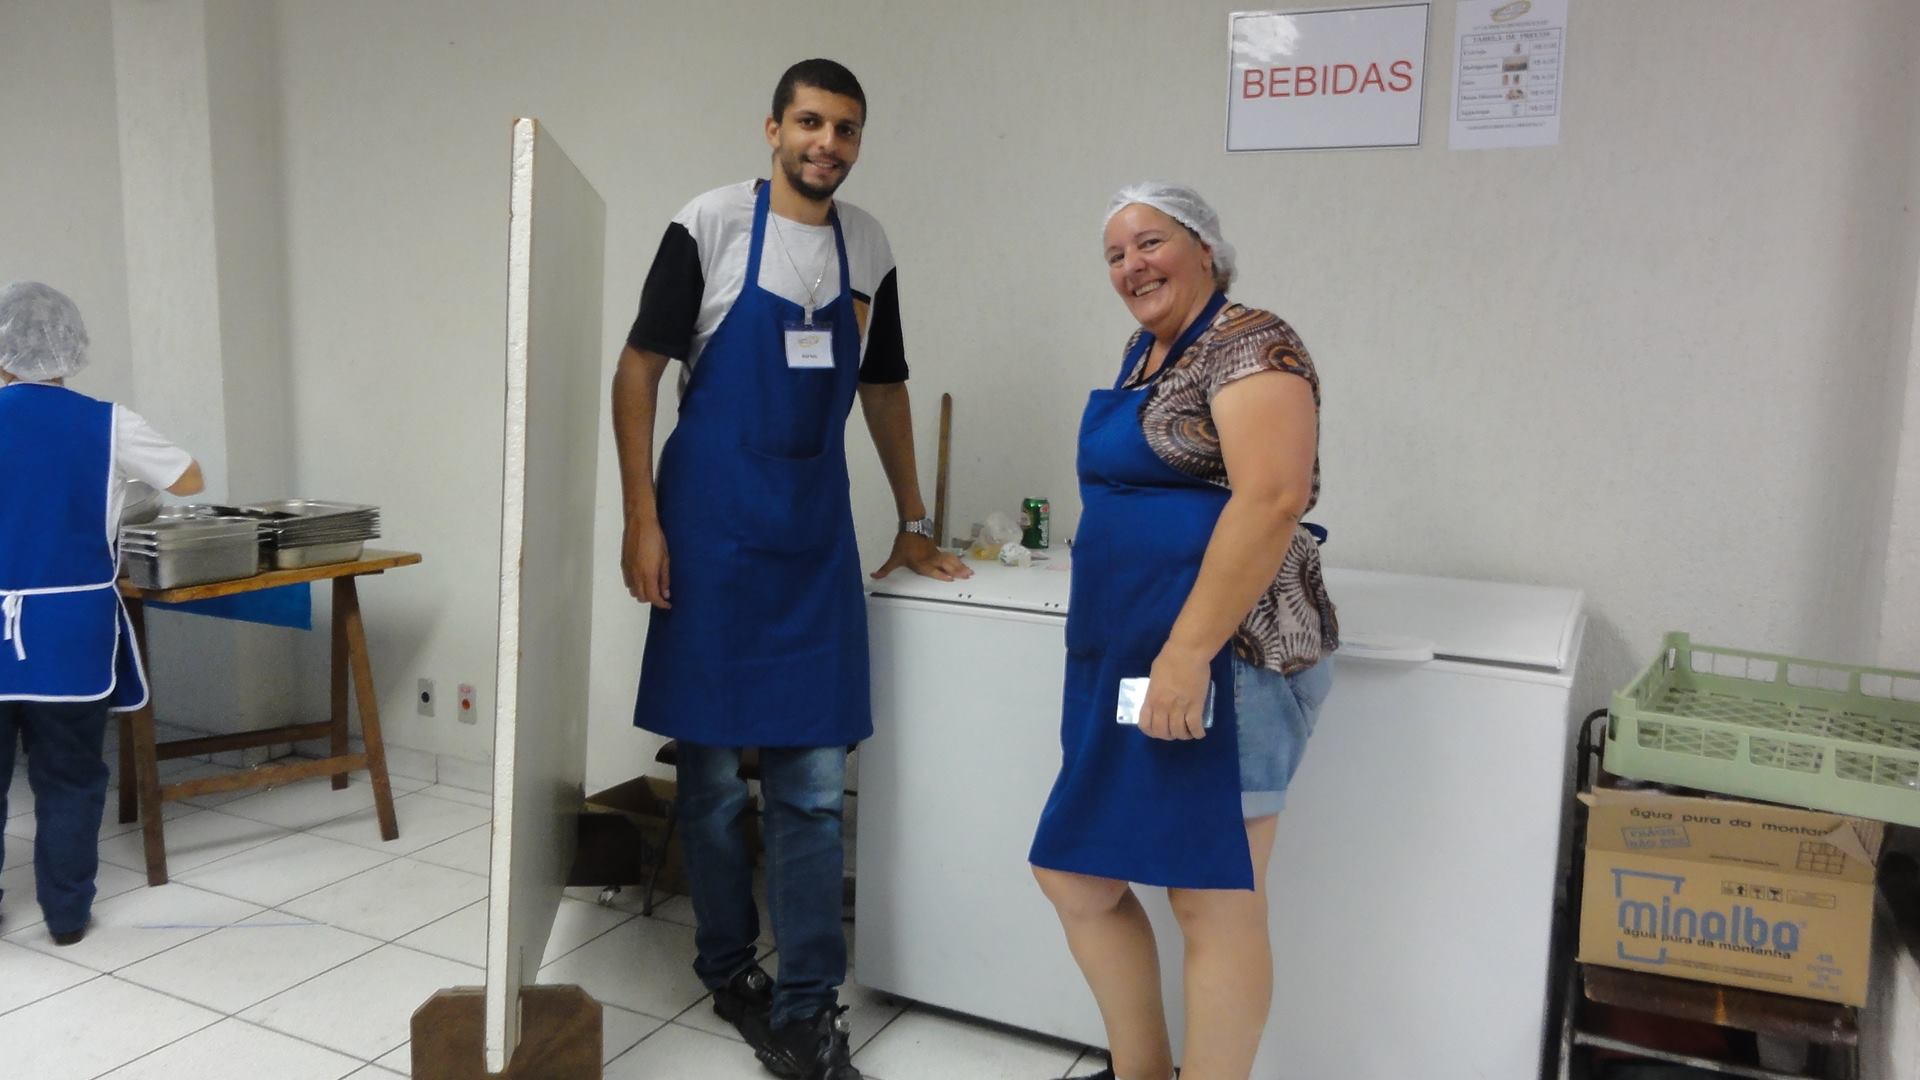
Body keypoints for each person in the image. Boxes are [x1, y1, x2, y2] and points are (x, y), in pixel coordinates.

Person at [611, 59, 968, 1080]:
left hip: (812, 536)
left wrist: (912, 519)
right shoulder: (712, 224)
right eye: (810, 122)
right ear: (773, 128)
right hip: (710, 529)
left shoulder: (869, 246)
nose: (828, 143)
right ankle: (729, 967)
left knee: (812, 784)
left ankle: (810, 1007)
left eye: (846, 128)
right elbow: (638, 371)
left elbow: (885, 386)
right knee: (714, 781)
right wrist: (642, 519)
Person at [1028, 184, 1339, 1080]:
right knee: (1078, 874)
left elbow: (1272, 497)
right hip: (1128, 654)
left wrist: (1186, 654)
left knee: (1213, 902)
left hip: (1222, 660)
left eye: (1150, 242)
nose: (1132, 265)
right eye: (1115, 254)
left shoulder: (1253, 343)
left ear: (1205, 248)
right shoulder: (1147, 352)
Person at [0, 281, 204, 945]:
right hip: (71, 633)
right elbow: (189, 479)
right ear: (70, 348)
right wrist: (114, 484)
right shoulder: (107, 422)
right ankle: (65, 916)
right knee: (69, 776)